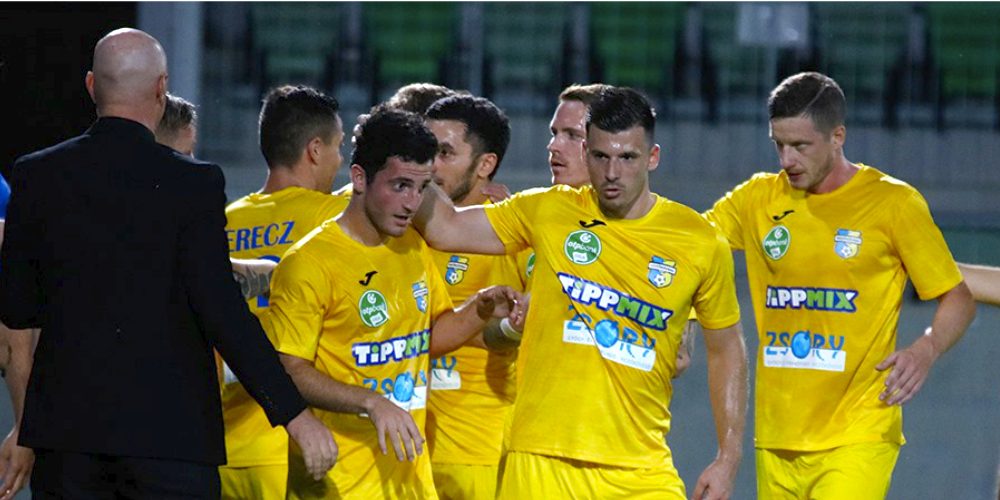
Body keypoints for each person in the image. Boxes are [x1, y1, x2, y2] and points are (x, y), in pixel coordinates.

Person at [0, 28, 336, 497]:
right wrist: (292, 413)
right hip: (171, 444)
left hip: (67, 445)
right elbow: (222, 312)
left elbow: (18, 311)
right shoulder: (193, 184)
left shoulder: (36, 175)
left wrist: (26, 426)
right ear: (161, 88)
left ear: (92, 85)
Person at [415, 86, 747, 499]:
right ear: (587, 154)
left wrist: (728, 458)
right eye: (601, 157)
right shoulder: (547, 210)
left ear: (653, 157)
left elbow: (726, 348)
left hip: (640, 470)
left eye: (628, 158)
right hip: (539, 464)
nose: (613, 172)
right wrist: (404, 149)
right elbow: (445, 227)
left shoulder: (699, 241)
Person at [701, 71, 976, 499]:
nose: (787, 159)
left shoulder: (893, 202)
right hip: (777, 436)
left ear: (838, 137)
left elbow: (957, 297)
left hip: (858, 432)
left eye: (800, 146)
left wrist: (926, 348)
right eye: (779, 145)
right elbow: (688, 247)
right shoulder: (757, 200)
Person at [265, 108, 523, 499]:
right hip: (340, 482)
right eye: (400, 186)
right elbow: (289, 370)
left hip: (410, 482)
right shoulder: (309, 262)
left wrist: (478, 310)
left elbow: (427, 337)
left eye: (421, 188)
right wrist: (372, 403)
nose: (411, 203)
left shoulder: (412, 246)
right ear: (359, 178)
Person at [218, 84, 349, 499]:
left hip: (223, 450)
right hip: (292, 449)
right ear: (314, 150)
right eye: (338, 147)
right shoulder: (336, 219)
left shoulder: (222, 220)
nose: (341, 160)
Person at [421, 95, 524, 499]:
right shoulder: (401, 228)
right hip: (400, 453)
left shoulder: (516, 236)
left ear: (485, 165)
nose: (431, 164)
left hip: (475, 457)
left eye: (445, 153)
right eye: (426, 149)